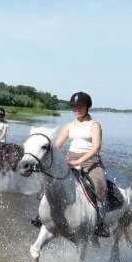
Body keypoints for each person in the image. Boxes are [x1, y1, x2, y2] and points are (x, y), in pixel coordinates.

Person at [32, 92, 109, 237]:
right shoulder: (69, 126)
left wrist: (79, 161)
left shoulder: (94, 125)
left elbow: (96, 147)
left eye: (80, 106)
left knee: (100, 185)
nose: (77, 109)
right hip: (69, 159)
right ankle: (41, 216)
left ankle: (100, 223)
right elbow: (56, 146)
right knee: (48, 183)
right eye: (74, 107)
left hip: (90, 160)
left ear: (87, 107)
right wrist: (43, 156)